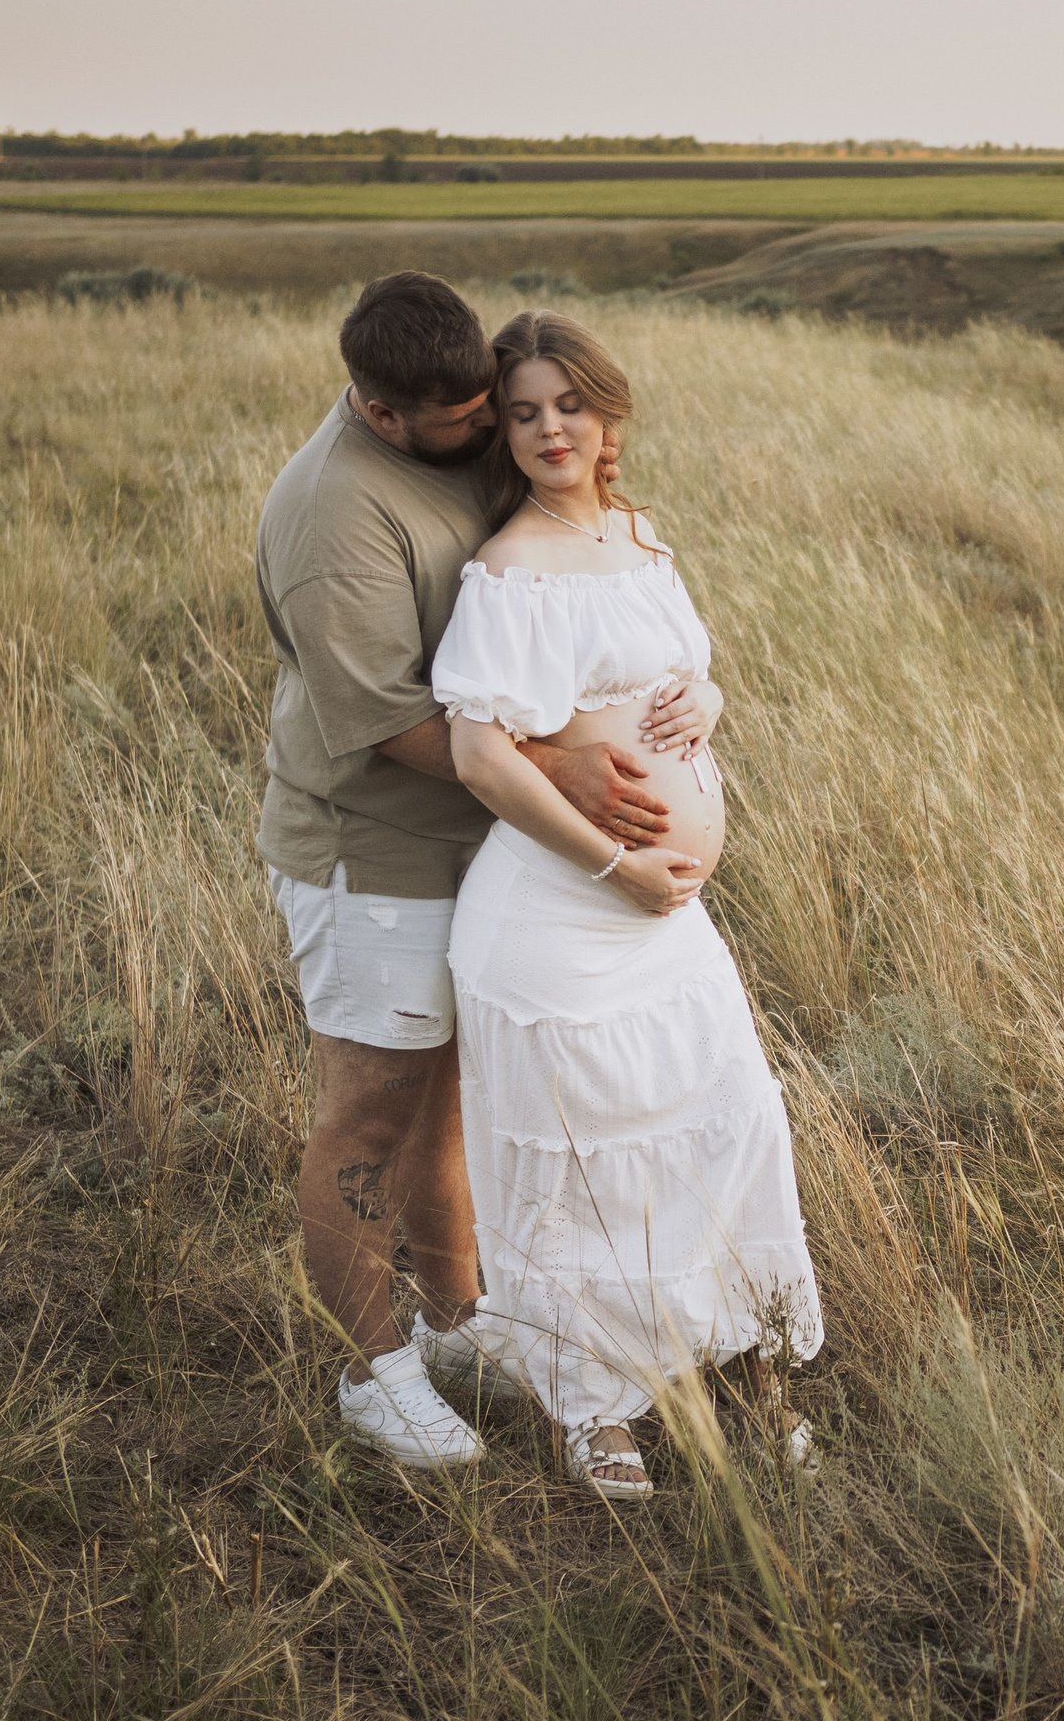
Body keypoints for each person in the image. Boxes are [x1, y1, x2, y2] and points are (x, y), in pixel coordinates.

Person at [255, 271, 681, 1467]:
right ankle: (371, 1376)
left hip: (482, 846)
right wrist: (561, 775)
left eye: (491, 403)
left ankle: (454, 1326)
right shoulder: (334, 515)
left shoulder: (456, 433)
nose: (491, 428)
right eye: (465, 418)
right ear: (381, 412)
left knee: (447, 1099)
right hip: (375, 856)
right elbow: (391, 720)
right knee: (369, 1114)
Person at [433, 308, 822, 1498]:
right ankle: (594, 1409)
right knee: (583, 1171)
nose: (551, 429)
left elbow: (680, 670)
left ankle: (746, 1362)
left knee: (724, 1125)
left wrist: (707, 697)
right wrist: (615, 865)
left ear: (608, 414)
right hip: (559, 921)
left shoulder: (640, 535)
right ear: (503, 433)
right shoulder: (511, 569)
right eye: (524, 413)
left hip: (669, 925)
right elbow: (481, 756)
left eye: (570, 405)